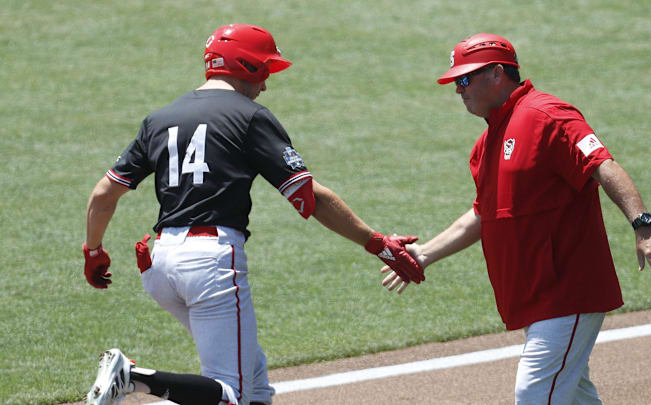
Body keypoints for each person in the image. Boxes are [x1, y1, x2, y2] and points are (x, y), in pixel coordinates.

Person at [82, 23, 424, 405]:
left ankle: (137, 380)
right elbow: (311, 198)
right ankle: (134, 377)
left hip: (159, 264)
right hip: (209, 265)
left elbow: (104, 193)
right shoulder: (249, 116)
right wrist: (377, 243)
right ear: (245, 67)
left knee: (256, 388)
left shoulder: (159, 119)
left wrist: (93, 250)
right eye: (264, 71)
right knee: (232, 394)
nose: (265, 85)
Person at [380, 33, 651, 404]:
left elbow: (602, 164)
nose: (458, 89)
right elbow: (483, 215)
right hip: (534, 298)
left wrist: (644, 227)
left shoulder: (547, 115)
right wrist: (425, 254)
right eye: (456, 81)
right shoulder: (485, 145)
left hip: (566, 293)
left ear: (498, 74)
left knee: (535, 393)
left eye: (465, 79)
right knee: (572, 396)